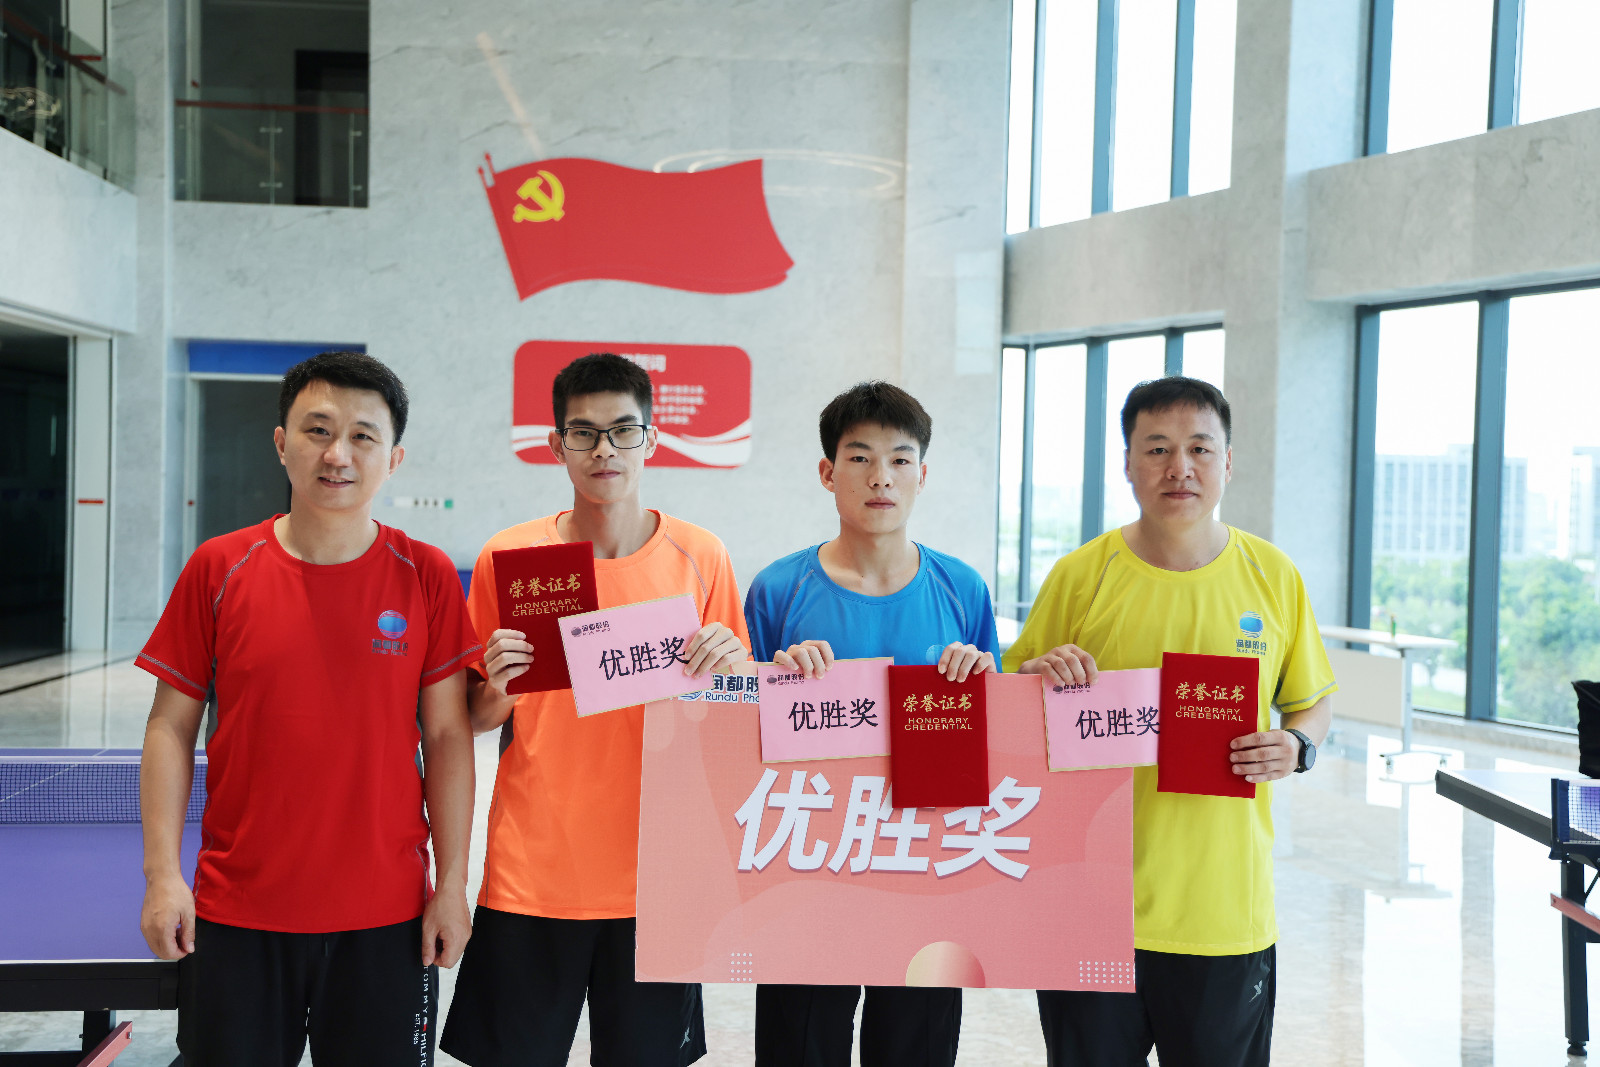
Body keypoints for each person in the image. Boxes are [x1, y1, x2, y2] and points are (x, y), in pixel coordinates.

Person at [137, 351, 479, 1066]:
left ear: (394, 458)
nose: (337, 454)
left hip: (386, 918)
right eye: (318, 429)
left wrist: (452, 884)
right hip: (237, 914)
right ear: (281, 442)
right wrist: (163, 875)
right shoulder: (219, 567)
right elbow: (170, 725)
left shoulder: (426, 575)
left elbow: (448, 734)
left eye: (362, 436)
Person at [1004, 376, 1336, 1066]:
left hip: (1222, 912)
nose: (1179, 467)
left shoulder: (1273, 575)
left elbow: (1310, 698)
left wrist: (1299, 743)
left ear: (1228, 461)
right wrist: (1036, 676)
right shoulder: (1080, 575)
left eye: (1199, 448)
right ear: (1127, 464)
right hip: (1087, 908)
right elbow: (1008, 710)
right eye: (1156, 449)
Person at [441, 353, 749, 1067]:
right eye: (583, 433)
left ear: (652, 439)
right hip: (533, 872)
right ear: (557, 445)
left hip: (658, 878)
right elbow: (473, 717)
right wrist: (502, 684)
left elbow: (734, 719)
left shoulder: (701, 556)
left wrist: (733, 672)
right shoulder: (511, 557)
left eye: (622, 431)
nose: (604, 449)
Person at [743, 380, 998, 1067]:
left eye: (900, 459)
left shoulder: (963, 589)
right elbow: (735, 735)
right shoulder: (777, 589)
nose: (881, 476)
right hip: (808, 875)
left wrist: (982, 679)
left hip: (925, 873)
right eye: (859, 458)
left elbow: (997, 744)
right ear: (828, 473)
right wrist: (773, 680)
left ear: (923, 474)